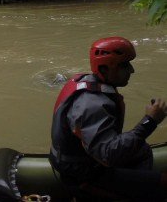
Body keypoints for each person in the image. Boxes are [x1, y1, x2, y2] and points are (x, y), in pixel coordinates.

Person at [50, 36, 167, 200]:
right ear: (104, 69)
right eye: (125, 65)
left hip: (86, 160)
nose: (132, 70)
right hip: (83, 174)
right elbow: (108, 156)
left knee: (142, 151)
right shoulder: (92, 105)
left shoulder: (90, 84)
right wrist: (150, 121)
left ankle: (136, 191)